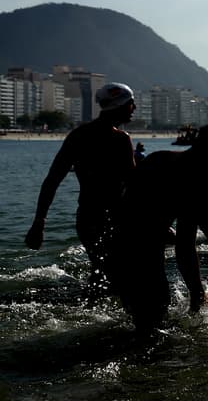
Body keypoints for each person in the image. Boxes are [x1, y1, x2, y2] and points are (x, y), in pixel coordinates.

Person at [110, 124, 208, 332]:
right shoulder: (196, 176)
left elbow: (185, 241)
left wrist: (197, 292)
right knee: (152, 313)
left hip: (130, 243)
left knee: (152, 315)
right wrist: (197, 293)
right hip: (134, 247)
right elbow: (185, 246)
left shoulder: (175, 164)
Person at [26, 82, 137, 295]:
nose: (134, 109)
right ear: (122, 105)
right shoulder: (121, 140)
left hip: (87, 218)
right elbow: (135, 184)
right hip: (117, 218)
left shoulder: (78, 136)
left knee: (101, 268)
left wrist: (39, 222)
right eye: (132, 104)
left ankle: (93, 308)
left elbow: (52, 180)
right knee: (117, 273)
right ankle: (100, 316)